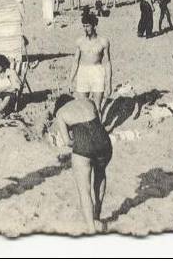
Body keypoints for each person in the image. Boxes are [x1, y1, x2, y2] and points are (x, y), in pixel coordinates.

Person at [50, 94, 112, 233]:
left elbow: (67, 142)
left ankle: (91, 229)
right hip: (103, 141)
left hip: (83, 144)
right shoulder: (87, 101)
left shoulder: (61, 113)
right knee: (100, 175)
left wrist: (77, 142)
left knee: (84, 190)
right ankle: (97, 216)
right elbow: (98, 122)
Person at [68, 12, 112, 111]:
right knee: (83, 107)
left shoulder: (103, 41)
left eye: (88, 26)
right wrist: (71, 80)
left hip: (97, 72)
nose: (85, 29)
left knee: (97, 107)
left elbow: (107, 62)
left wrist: (109, 83)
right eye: (84, 26)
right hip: (83, 72)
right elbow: (75, 61)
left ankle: (99, 126)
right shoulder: (80, 41)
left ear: (94, 25)